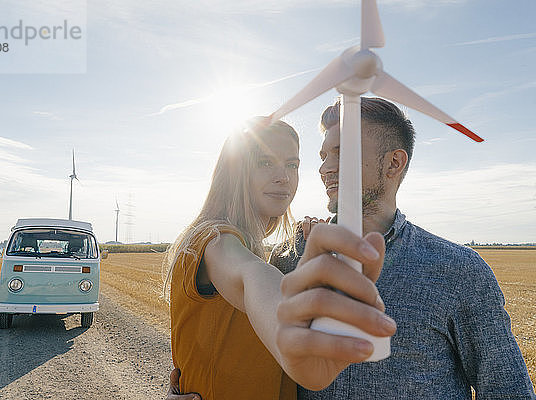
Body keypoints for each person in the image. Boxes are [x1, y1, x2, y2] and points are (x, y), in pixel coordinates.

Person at [167, 98, 535, 399]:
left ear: (394, 162)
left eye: (341, 152)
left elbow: (508, 391)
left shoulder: (457, 271)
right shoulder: (288, 258)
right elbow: (242, 301)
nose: (325, 168)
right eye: (323, 155)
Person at [164, 117, 397, 400]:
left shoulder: (261, 248)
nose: (283, 177)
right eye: (265, 162)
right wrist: (292, 332)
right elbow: (250, 275)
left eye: (292, 164)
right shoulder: (213, 240)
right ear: (236, 170)